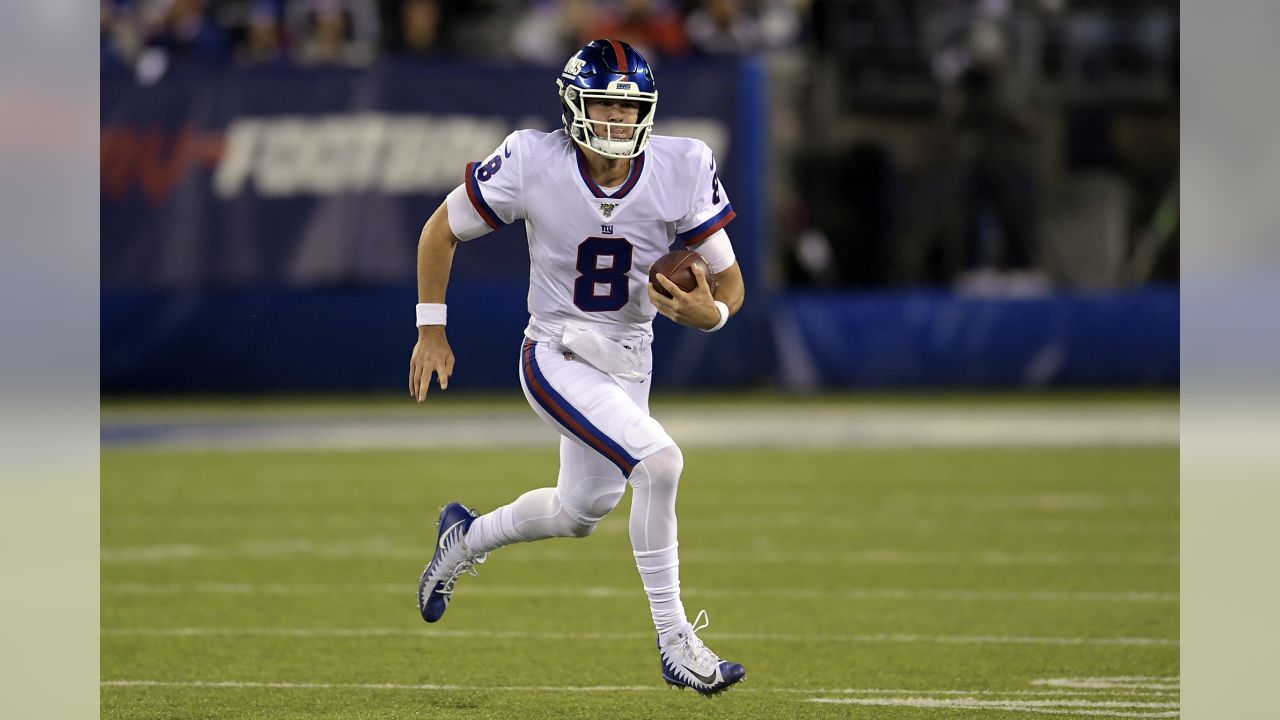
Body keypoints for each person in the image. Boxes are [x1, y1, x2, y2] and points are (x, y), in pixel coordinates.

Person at [408, 38, 747, 696]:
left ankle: (464, 537)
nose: (618, 123)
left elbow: (730, 283)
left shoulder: (684, 163)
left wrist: (717, 316)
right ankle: (678, 641)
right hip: (557, 350)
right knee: (661, 463)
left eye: (629, 110)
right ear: (573, 106)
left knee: (580, 510)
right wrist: (431, 330)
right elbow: (438, 231)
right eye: (605, 107)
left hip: (630, 354)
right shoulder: (535, 160)